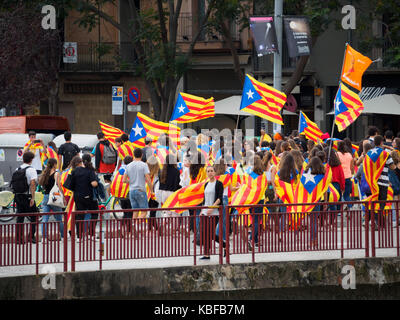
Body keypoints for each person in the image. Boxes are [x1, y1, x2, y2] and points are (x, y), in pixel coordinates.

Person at [68, 155, 99, 240]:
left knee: (79, 216)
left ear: (82, 161)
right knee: (94, 213)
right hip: (89, 196)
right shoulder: (90, 171)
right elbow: (94, 183)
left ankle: (79, 237)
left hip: (78, 196)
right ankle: (91, 234)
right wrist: (97, 182)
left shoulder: (75, 170)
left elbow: (71, 185)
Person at [12, 151, 39, 244]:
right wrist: (32, 198)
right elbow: (32, 184)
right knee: (34, 216)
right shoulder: (31, 170)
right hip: (27, 196)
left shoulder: (17, 168)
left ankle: (19, 239)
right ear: (31, 160)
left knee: (20, 217)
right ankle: (31, 236)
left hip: (18, 196)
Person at [198, 165, 223, 260]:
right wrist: (202, 210)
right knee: (205, 233)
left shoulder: (219, 184)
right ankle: (206, 254)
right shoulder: (206, 184)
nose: (210, 173)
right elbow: (204, 199)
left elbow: (219, 198)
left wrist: (212, 208)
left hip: (214, 212)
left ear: (215, 172)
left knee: (210, 233)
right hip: (205, 212)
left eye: (212, 171)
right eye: (208, 171)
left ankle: (224, 244)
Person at [39, 158, 65, 241]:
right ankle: (63, 236)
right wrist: (63, 196)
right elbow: (59, 186)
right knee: (59, 219)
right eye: (56, 164)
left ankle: (44, 238)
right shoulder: (56, 173)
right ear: (54, 164)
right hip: (54, 196)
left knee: (45, 218)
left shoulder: (45, 173)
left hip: (46, 197)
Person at [123, 148, 152, 220]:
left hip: (131, 191)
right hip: (141, 190)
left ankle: (134, 227)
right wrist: (151, 190)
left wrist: (131, 181)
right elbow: (148, 179)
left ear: (133, 155)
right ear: (142, 155)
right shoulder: (144, 165)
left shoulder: (128, 165)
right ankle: (136, 224)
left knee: (135, 211)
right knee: (144, 212)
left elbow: (124, 180)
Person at [373, 135, 396, 225]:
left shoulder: (370, 153)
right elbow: (392, 166)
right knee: (382, 202)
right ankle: (379, 221)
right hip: (383, 181)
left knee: (374, 201)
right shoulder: (385, 154)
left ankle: (375, 220)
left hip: (373, 182)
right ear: (382, 142)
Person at [304, 157, 326, 247]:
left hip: (308, 200)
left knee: (311, 221)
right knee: (314, 221)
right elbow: (325, 188)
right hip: (317, 199)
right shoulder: (322, 175)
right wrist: (325, 201)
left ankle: (312, 240)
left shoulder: (306, 174)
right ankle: (315, 240)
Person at [159, 154, 182, 235]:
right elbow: (177, 184)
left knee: (166, 211)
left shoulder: (162, 170)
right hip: (173, 193)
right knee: (175, 212)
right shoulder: (176, 171)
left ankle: (164, 224)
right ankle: (173, 230)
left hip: (163, 193)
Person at [326, 149, 345, 222]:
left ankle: (326, 219)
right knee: (334, 203)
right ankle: (332, 220)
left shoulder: (326, 164)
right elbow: (341, 176)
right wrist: (343, 187)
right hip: (336, 185)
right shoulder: (338, 164)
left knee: (327, 202)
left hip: (327, 184)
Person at [337, 140, 354, 208]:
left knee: (339, 195)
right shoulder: (349, 155)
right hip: (348, 176)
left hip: (340, 177)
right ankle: (349, 209)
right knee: (347, 195)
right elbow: (352, 167)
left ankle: (339, 211)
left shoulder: (337, 154)